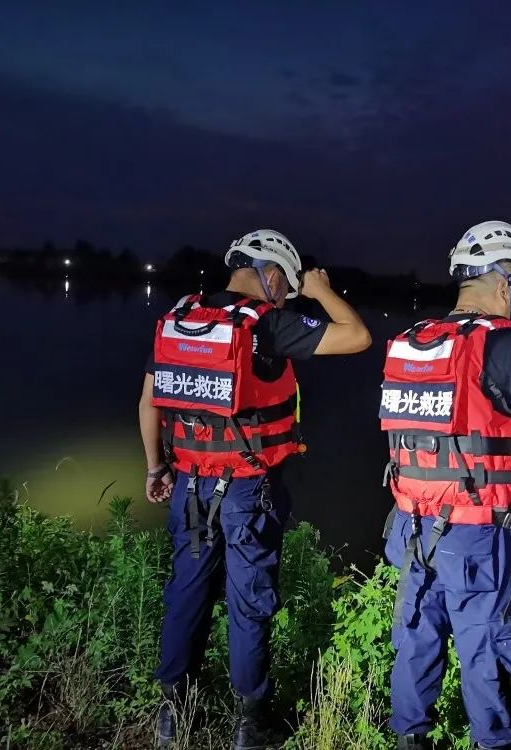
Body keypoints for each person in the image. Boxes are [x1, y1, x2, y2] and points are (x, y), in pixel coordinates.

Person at [138, 229, 371, 748]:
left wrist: (157, 467)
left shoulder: (181, 319)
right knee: (249, 600)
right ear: (269, 274)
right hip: (246, 490)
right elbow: (356, 335)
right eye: (284, 286)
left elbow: (148, 402)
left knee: (186, 591)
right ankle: (250, 721)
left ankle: (173, 713)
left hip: (189, 485)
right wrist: (321, 291)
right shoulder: (266, 324)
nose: (286, 297)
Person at [379, 220, 511, 750]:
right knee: (486, 649)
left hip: (413, 529)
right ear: (505, 279)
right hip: (479, 538)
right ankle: (495, 743)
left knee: (416, 641)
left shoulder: (413, 344)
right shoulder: (509, 346)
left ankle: (408, 740)